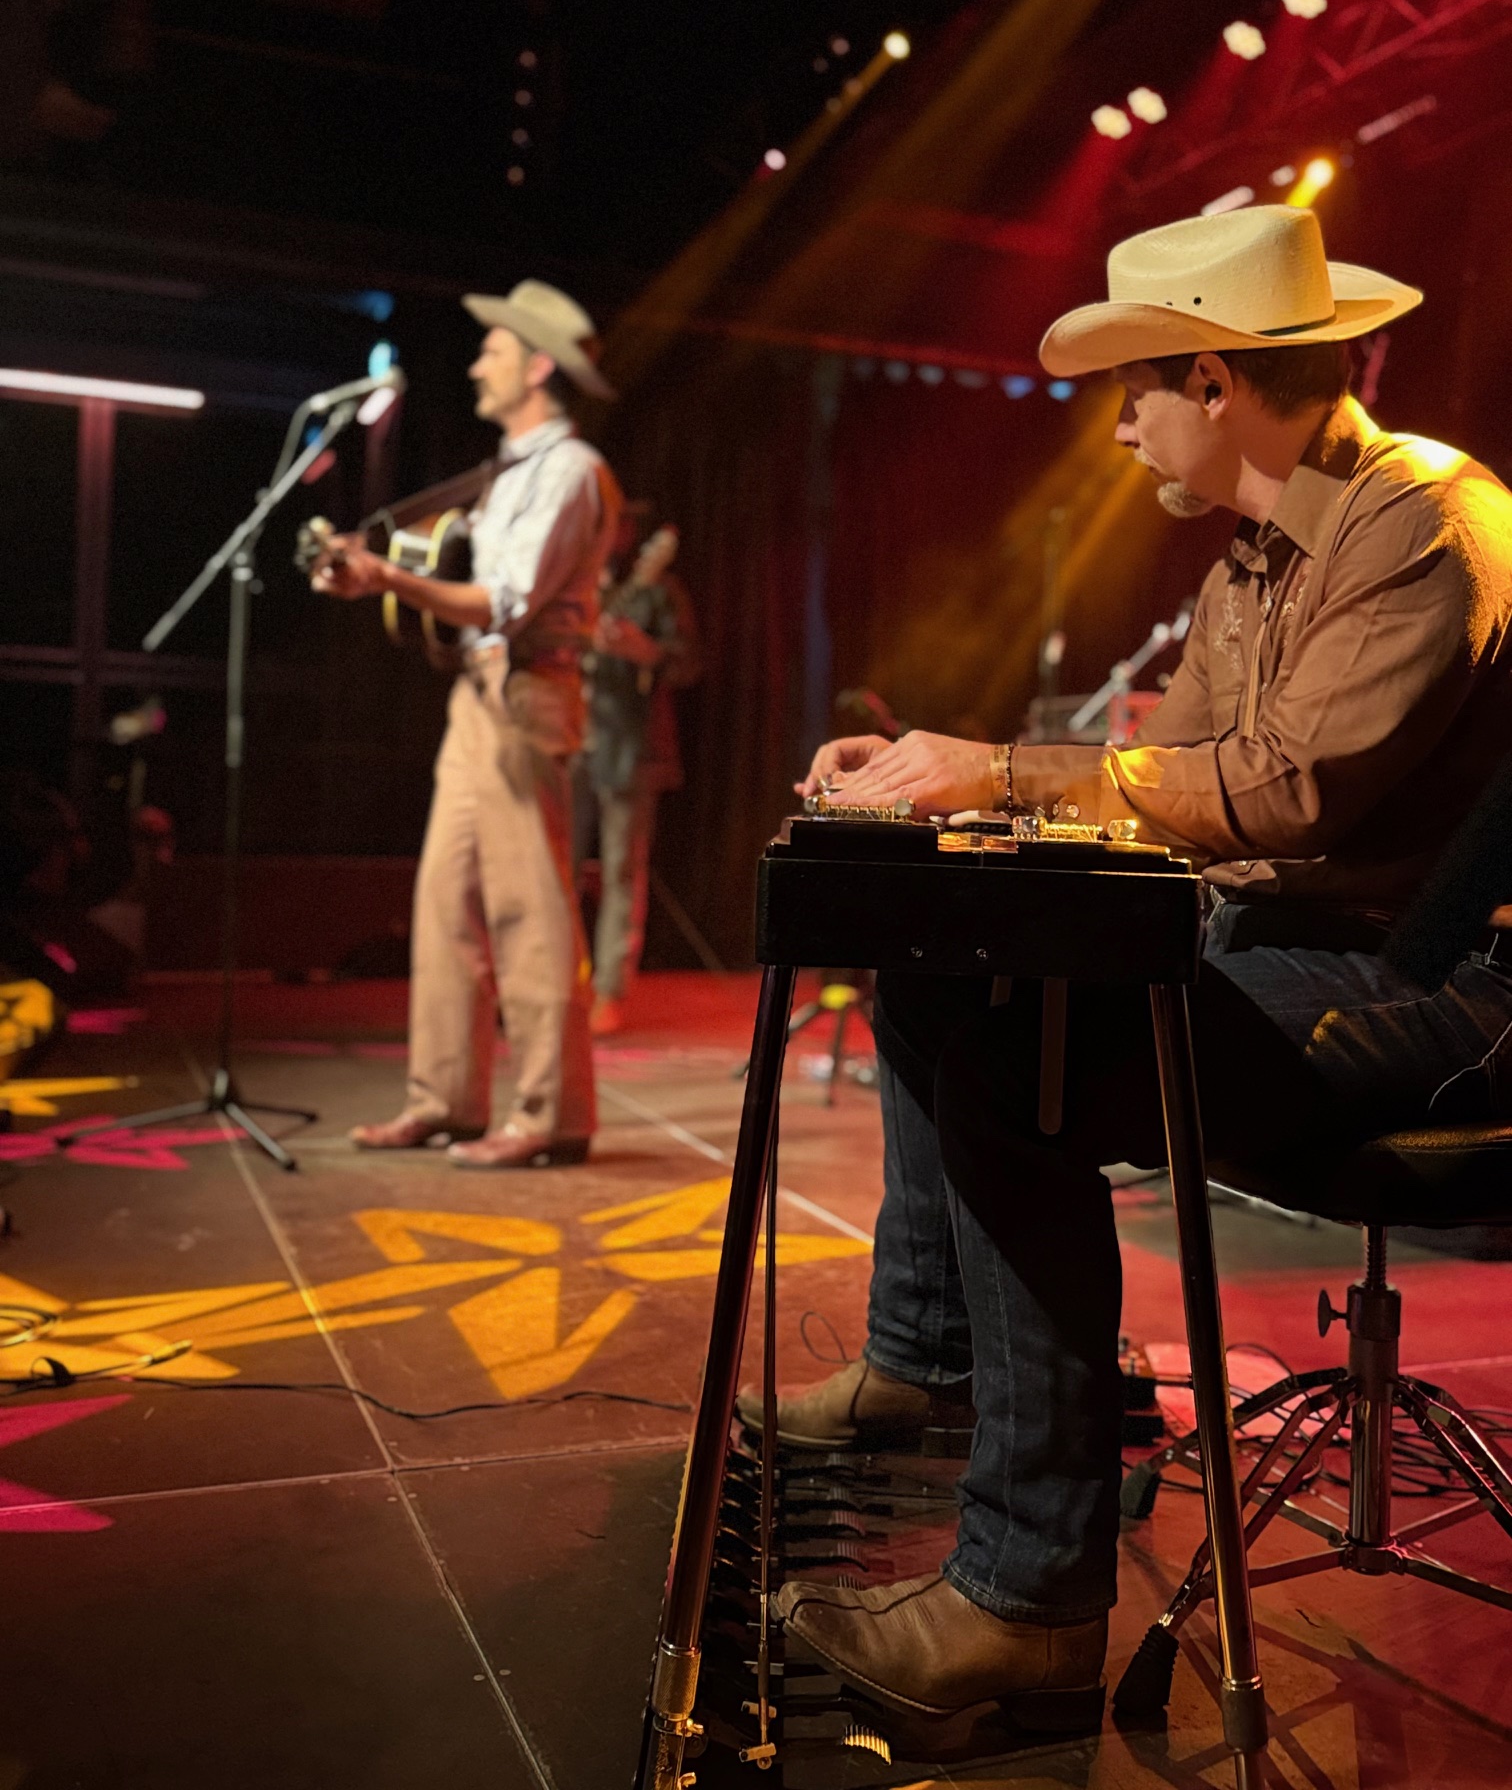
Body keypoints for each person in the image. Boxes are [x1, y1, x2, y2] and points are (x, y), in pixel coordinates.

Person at [754, 207, 1512, 1731]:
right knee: (944, 968)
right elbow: (1176, 780)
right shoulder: (1253, 558)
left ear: (1219, 384)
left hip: (1433, 993)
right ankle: (926, 1359)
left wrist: (996, 778)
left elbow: (1290, 794)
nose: (1117, 429)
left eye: (1136, 389)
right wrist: (950, 791)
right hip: (1290, 948)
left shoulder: (1426, 517)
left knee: (1020, 1084)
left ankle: (1028, 1607)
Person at [312, 281, 620, 1169]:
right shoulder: (510, 473)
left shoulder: (569, 472)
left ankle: (548, 1114)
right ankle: (444, 1099)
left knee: (530, 905)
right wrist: (382, 575)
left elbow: (506, 604)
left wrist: (387, 580)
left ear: (534, 365)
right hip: (479, 698)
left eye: (492, 347)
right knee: (444, 899)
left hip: (529, 694)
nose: (478, 360)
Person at [578, 503, 701, 1035]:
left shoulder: (659, 590)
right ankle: (559, 988)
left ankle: (610, 990)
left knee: (622, 872)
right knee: (552, 869)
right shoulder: (577, 582)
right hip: (572, 739)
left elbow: (690, 661)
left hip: (631, 747)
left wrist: (644, 650)